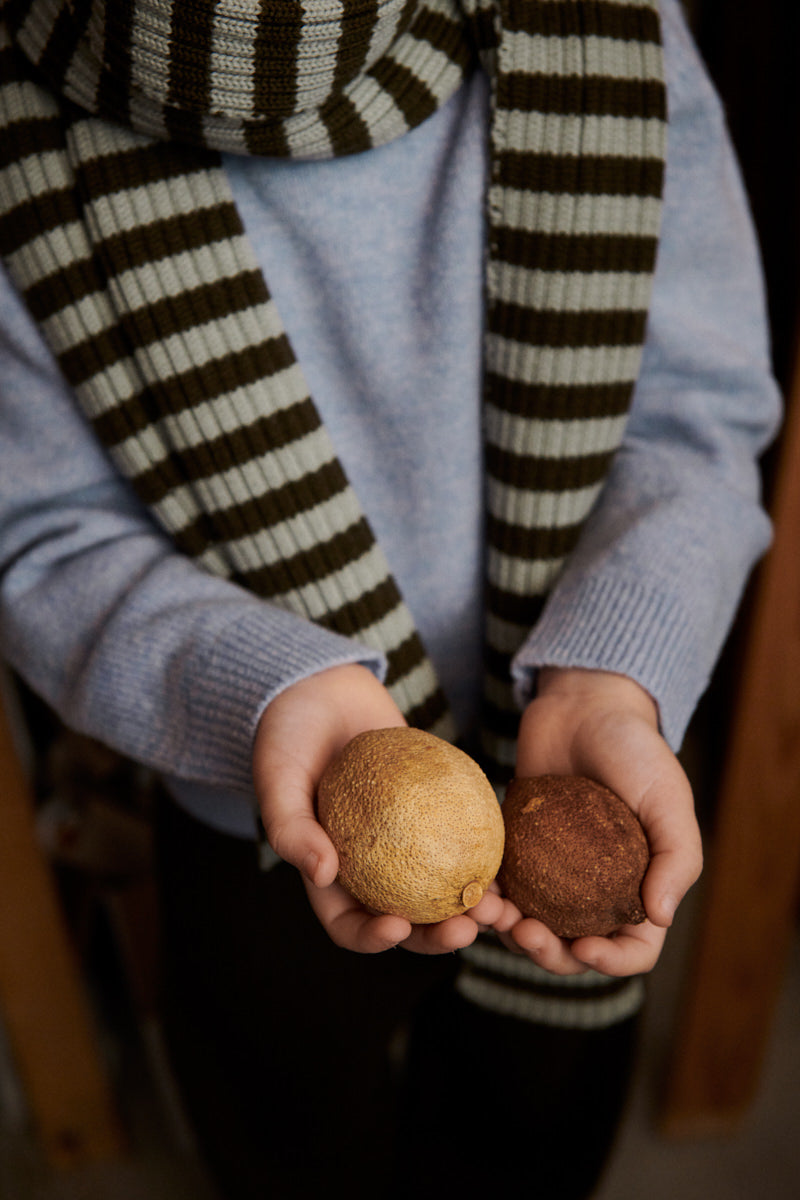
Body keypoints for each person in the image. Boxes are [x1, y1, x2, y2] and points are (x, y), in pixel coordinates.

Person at [0, 0, 781, 1197]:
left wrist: (616, 667)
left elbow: (693, 417)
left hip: (568, 774)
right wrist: (260, 688)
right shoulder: (22, 133)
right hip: (258, 820)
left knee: (528, 1130)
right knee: (283, 1132)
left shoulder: (620, 31)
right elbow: (40, 537)